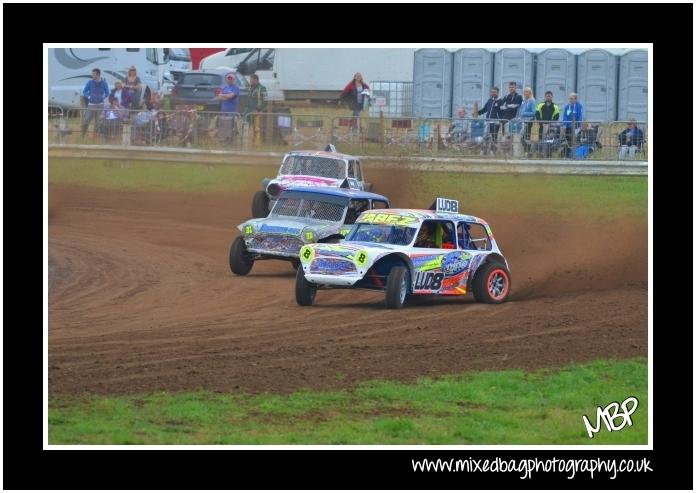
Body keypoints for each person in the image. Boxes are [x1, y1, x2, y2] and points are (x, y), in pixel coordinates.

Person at [80, 68, 110, 138]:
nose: (92, 76)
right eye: (92, 74)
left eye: (94, 74)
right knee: (86, 120)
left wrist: (103, 97)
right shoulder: (89, 82)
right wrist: (89, 96)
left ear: (98, 75)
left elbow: (107, 93)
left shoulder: (104, 83)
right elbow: (84, 91)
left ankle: (95, 137)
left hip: (100, 105)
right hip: (91, 105)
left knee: (97, 122)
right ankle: (82, 135)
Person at [473, 87, 504, 153]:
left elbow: (503, 112)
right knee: (486, 136)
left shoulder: (501, 101)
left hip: (495, 122)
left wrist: (500, 120)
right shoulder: (489, 100)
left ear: (498, 93)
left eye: (494, 92)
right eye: (492, 92)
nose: (493, 93)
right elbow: (485, 109)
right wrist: (477, 113)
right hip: (487, 122)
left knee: (494, 137)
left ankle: (493, 151)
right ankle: (484, 150)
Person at [244, 73, 268, 145]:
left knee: (257, 129)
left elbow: (265, 101)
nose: (250, 81)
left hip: (257, 112)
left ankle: (257, 144)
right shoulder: (250, 88)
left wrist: (258, 109)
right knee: (247, 128)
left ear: (255, 80)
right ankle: (248, 143)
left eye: (251, 80)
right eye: (249, 80)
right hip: (248, 112)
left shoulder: (262, 88)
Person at [218, 72, 240, 143]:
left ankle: (231, 140)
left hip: (232, 111)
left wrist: (224, 96)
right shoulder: (224, 87)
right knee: (224, 125)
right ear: (227, 79)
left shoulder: (236, 88)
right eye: (228, 78)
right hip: (224, 110)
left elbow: (231, 96)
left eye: (231, 79)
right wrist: (227, 96)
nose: (230, 80)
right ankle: (224, 139)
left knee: (231, 126)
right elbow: (219, 97)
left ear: (234, 80)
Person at [561, 93, 584, 158]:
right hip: (568, 127)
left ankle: (576, 155)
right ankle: (569, 154)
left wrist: (577, 125)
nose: (570, 100)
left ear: (575, 99)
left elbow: (580, 117)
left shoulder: (579, 106)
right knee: (569, 141)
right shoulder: (567, 107)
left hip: (576, 127)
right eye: (569, 98)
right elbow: (565, 117)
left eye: (571, 98)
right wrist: (565, 124)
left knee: (576, 141)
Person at [518, 87, 536, 153]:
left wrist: (524, 113)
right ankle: (526, 151)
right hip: (522, 121)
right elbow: (521, 110)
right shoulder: (523, 101)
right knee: (521, 137)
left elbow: (534, 113)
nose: (525, 93)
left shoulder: (532, 101)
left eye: (527, 92)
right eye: (524, 92)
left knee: (526, 137)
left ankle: (528, 152)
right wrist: (519, 116)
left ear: (530, 93)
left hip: (529, 121)